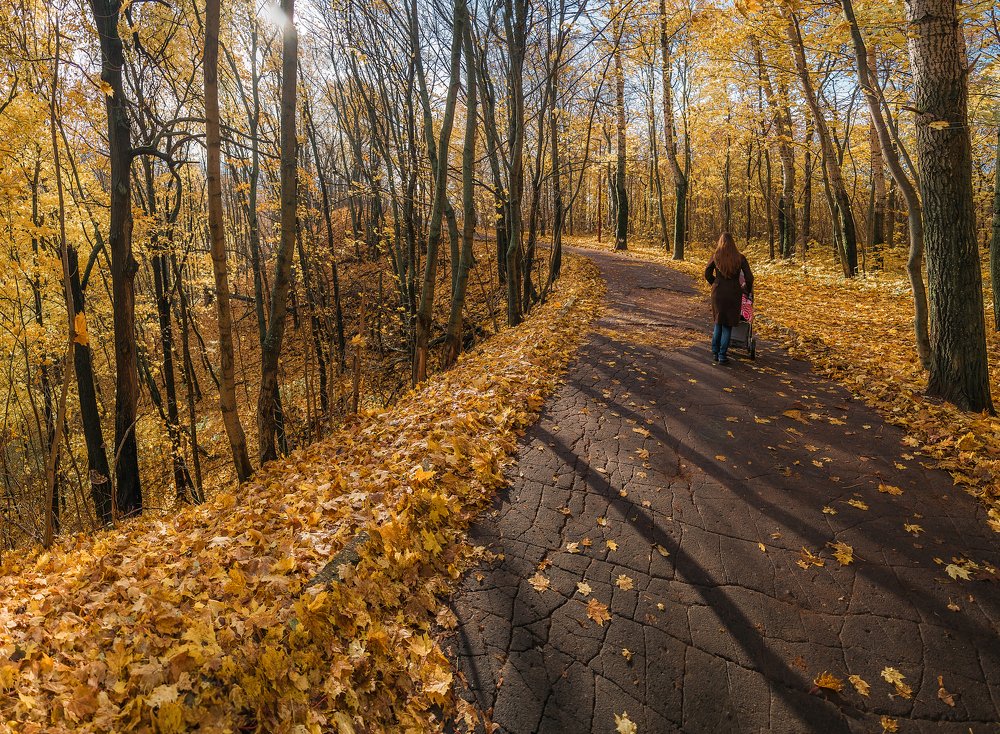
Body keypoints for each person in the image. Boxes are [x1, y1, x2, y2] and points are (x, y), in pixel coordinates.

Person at [704, 232, 753, 365]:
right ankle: (722, 356)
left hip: (718, 292)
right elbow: (749, 277)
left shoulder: (716, 256)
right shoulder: (740, 258)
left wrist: (715, 283)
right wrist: (746, 289)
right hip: (733, 292)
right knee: (727, 325)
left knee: (718, 322)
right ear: (733, 244)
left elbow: (707, 273)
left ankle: (715, 352)